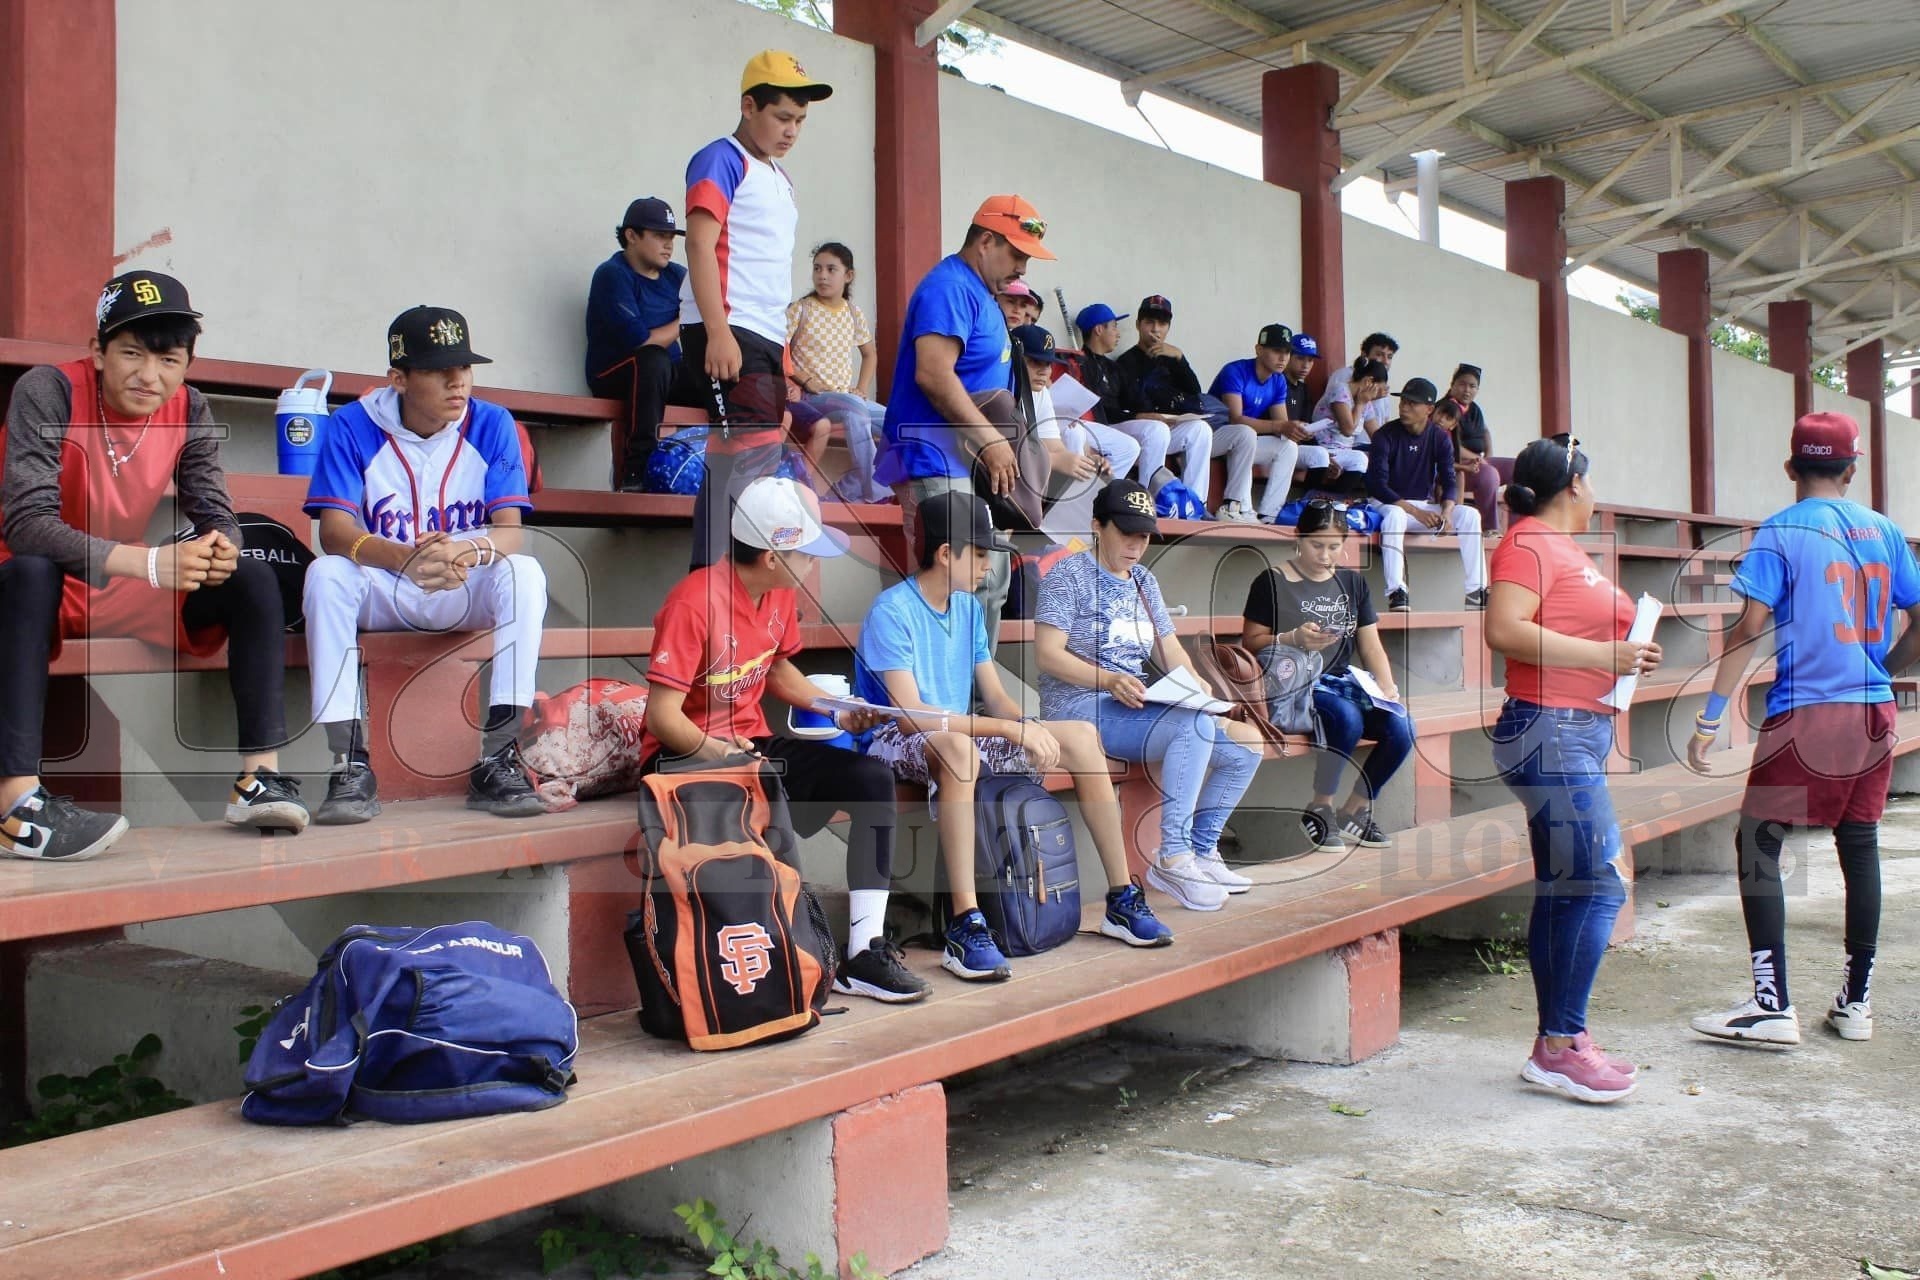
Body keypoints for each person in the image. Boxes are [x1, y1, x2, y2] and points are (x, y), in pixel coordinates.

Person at [0, 270, 306, 859]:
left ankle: (258, 779)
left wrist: (221, 545)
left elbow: (214, 507)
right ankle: (17, 806)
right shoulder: (48, 390)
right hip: (25, 579)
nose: (149, 375)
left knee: (249, 574)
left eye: (169, 360)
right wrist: (148, 563)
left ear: (188, 362)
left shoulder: (189, 406)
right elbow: (27, 525)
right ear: (98, 351)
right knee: (32, 571)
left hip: (114, 581)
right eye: (132, 353)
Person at [857, 491, 1178, 982]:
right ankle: (966, 923)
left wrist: (1026, 726)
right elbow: (910, 716)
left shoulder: (968, 609)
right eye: (980, 554)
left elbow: (996, 696)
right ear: (946, 554)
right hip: (892, 738)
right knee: (959, 750)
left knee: (1080, 736)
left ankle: (1121, 898)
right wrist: (1006, 728)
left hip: (956, 730)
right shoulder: (892, 610)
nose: (989, 566)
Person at [639, 476, 924, 1002]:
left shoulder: (777, 594)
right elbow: (662, 717)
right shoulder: (693, 603)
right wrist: (720, 753)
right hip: (682, 756)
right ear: (773, 557)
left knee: (869, 778)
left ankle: (864, 952)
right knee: (768, 789)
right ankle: (784, 956)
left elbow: (775, 668)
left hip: (751, 748)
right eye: (806, 553)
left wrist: (837, 711)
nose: (813, 564)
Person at [1687, 412, 1920, 1047]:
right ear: (1852, 469)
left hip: (1807, 709)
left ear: (1791, 468)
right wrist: (1882, 668)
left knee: (1758, 842)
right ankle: (1856, 1002)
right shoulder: (1884, 529)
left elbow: (1747, 629)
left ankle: (1772, 1005)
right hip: (1873, 710)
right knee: (1860, 844)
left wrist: (1710, 716)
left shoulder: (1781, 529)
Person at [302, 306, 546, 824]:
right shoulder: (353, 425)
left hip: (463, 584)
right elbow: (334, 533)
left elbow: (510, 531)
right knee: (325, 575)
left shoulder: (492, 423)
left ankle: (500, 757)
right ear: (399, 379)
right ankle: (349, 763)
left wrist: (465, 552)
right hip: (386, 588)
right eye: (439, 370)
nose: (458, 382)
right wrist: (404, 560)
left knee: (524, 572)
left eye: (464, 367)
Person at [1485, 435, 1660, 1104]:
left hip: (1571, 731)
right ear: (1574, 486)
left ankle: (1556, 1044)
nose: (1595, 491)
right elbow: (1504, 628)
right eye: (1591, 480)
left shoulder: (1559, 548)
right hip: (1550, 730)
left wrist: (1625, 653)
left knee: (1566, 888)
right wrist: (1604, 657)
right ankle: (1561, 1046)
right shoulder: (1528, 542)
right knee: (1600, 885)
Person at [1034, 478, 1258, 906]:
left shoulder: (1143, 580)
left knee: (1246, 745)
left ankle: (1202, 850)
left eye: (1144, 536)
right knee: (1191, 727)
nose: (1136, 545)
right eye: (1126, 533)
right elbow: (1047, 655)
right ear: (1097, 526)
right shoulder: (1069, 575)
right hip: (1078, 706)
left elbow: (1168, 647)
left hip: (1132, 703)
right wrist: (1108, 679)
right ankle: (1173, 857)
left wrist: (1198, 688)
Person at [876, 194, 1056, 657]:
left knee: (988, 582)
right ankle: (941, 695)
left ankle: (974, 693)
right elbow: (933, 374)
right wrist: (991, 440)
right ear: (986, 241)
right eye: (1016, 254)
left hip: (969, 465)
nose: (1023, 268)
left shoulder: (981, 294)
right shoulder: (951, 288)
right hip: (935, 457)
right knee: (954, 584)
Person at [680, 50, 833, 569]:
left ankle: (726, 587)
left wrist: (784, 358)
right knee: (746, 461)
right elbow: (699, 245)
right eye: (782, 117)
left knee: (749, 463)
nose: (792, 131)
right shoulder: (720, 159)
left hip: (765, 336)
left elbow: (771, 274)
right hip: (728, 327)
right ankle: (713, 585)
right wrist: (718, 331)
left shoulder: (781, 179)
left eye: (801, 121)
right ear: (749, 106)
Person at [1242, 500, 1411, 853]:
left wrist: (1386, 687)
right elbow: (1252, 642)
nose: (1325, 555)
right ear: (1298, 538)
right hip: (1297, 683)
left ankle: (1354, 810)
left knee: (1402, 727)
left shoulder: (1352, 582)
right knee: (1347, 718)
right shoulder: (1272, 581)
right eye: (1316, 545)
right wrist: (1293, 638)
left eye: (1334, 546)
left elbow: (1371, 645)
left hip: (1343, 681)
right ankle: (1321, 807)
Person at [1113, 295, 1258, 522]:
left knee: (1200, 429)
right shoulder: (1126, 362)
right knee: (1158, 430)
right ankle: (1151, 501)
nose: (1155, 329)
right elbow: (1124, 405)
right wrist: (1151, 415)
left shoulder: (1171, 357)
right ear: (1138, 325)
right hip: (1143, 433)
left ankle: (1195, 504)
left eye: (1162, 324)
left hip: (1170, 429)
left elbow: (1194, 391)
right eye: (1150, 322)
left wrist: (1180, 358)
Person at [585, 196, 687, 492]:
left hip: (664, 374)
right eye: (660, 236)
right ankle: (636, 472)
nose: (668, 245)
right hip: (616, 374)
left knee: (720, 371)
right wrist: (686, 318)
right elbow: (642, 343)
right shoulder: (612, 274)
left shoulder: (677, 275)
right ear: (632, 236)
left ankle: (719, 468)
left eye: (671, 237)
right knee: (653, 359)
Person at [1366, 377, 1486, 612]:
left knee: (1470, 515)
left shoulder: (1439, 437)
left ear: (1429, 409)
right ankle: (1397, 591)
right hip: (1386, 504)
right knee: (1395, 516)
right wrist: (1415, 512)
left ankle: (1476, 590)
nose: (1404, 407)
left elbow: (1449, 480)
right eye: (1403, 402)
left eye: (1412, 403)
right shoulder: (1384, 435)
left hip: (1420, 507)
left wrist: (1447, 512)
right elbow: (1377, 485)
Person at [1013, 323, 1138, 537]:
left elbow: (1054, 446)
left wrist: (1086, 463)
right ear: (1015, 358)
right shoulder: (1003, 386)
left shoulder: (1040, 393)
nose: (1044, 371)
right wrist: (1055, 461)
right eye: (1034, 362)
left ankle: (1071, 540)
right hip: (991, 478)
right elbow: (1002, 451)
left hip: (1025, 481)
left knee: (1087, 477)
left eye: (1048, 364)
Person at [787, 242, 888, 503]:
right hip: (813, 398)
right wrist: (804, 379)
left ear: (848, 275)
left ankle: (841, 493)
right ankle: (877, 492)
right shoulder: (801, 309)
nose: (822, 276)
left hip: (847, 397)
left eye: (831, 269)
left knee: (898, 423)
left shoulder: (853, 313)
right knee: (855, 410)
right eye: (817, 268)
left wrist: (862, 388)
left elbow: (870, 354)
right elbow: (778, 351)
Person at [1209, 324, 1333, 524]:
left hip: (1243, 443)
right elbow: (1235, 419)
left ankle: (1270, 514)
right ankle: (1234, 507)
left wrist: (1297, 430)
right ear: (1259, 350)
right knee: (1245, 433)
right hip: (1213, 438)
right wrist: (1281, 427)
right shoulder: (1235, 370)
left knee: (1288, 446)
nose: (1283, 358)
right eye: (1276, 351)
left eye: (1287, 352)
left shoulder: (1278, 381)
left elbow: (1281, 426)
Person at [1071, 301, 1194, 486]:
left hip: (1119, 425)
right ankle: (1141, 491)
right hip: (1097, 426)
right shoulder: (1080, 364)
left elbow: (1135, 400)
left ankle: (1153, 492)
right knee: (1153, 431)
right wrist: (1138, 416)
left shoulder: (1113, 367)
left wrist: (1158, 415)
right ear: (1099, 329)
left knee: (1164, 428)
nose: (1118, 333)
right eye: (1114, 327)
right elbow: (1098, 409)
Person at [1309, 355, 1387, 475]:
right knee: (1360, 459)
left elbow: (1377, 436)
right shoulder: (1340, 390)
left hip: (1345, 451)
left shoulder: (1365, 402)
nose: (1378, 394)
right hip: (1325, 450)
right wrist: (1360, 404)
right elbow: (1348, 430)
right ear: (1368, 382)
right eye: (1378, 389)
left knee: (1381, 455)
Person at [1433, 396, 1500, 534]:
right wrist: (1465, 467)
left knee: (1459, 475)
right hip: (1428, 472)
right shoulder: (1428, 431)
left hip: (1442, 473)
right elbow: (1436, 462)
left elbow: (1448, 464)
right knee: (1448, 478)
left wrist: (1465, 467)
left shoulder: (1448, 437)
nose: (1441, 419)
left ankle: (1458, 510)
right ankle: (1441, 514)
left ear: (1453, 425)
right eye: (1439, 414)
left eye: (1447, 418)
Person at [1322, 332, 1398, 437]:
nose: (1385, 361)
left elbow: (1381, 424)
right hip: (1346, 443)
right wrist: (1365, 401)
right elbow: (1347, 429)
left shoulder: (1380, 384)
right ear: (1364, 354)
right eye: (1379, 354)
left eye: (1389, 357)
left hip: (1364, 443)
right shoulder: (1344, 378)